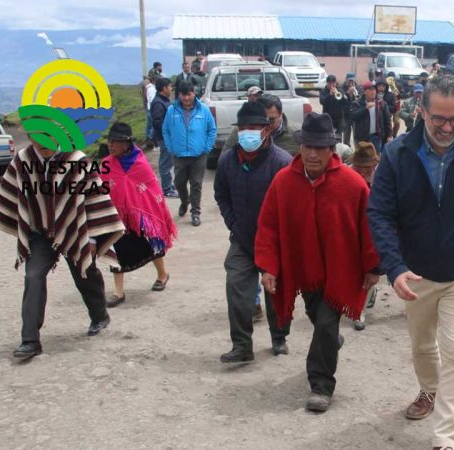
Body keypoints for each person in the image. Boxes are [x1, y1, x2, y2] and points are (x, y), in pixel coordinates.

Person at [367, 75, 454, 450]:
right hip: (417, 274)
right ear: (422, 113)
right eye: (439, 119)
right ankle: (429, 389)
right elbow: (379, 214)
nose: (447, 128)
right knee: (423, 345)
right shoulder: (397, 154)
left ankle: (446, 438)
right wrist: (395, 268)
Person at [255, 112, 380, 412]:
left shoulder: (352, 184)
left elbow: (371, 227)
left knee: (325, 321)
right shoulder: (284, 182)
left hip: (341, 270)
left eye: (320, 148)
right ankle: (330, 341)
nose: (313, 154)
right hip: (304, 270)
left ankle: (321, 385)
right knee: (319, 319)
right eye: (308, 146)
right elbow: (268, 226)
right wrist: (268, 266)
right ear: (300, 147)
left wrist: (374, 266)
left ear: (331, 150)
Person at [0, 132, 125, 359]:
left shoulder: (76, 160)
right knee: (33, 277)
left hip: (75, 229)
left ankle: (99, 315)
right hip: (40, 233)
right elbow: (10, 193)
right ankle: (30, 340)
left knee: (85, 273)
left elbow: (94, 199)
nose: (42, 142)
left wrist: (93, 239)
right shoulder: (23, 160)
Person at [215, 101, 293, 362]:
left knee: (275, 291)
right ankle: (241, 346)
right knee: (236, 287)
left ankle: (279, 337)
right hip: (242, 238)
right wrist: (233, 223)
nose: (247, 132)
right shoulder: (228, 160)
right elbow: (221, 194)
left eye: (254, 127)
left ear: (266, 130)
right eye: (243, 128)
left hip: (274, 242)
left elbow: (291, 205)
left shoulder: (282, 163)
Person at [99, 123, 176, 307]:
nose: (111, 145)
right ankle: (118, 292)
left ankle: (162, 274)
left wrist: (145, 213)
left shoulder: (140, 164)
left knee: (151, 243)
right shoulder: (107, 164)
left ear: (126, 144)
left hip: (140, 217)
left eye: (115, 142)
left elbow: (152, 192)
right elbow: (100, 190)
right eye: (110, 141)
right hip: (117, 217)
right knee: (115, 248)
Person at [162, 81, 217, 227]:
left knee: (196, 184)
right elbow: (165, 130)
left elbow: (212, 129)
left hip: (199, 155)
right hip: (179, 154)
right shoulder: (171, 111)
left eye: (189, 94)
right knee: (179, 183)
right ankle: (184, 201)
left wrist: (207, 147)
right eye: (183, 95)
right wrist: (170, 147)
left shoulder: (203, 110)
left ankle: (195, 213)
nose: (186, 98)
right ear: (179, 95)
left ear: (194, 93)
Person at [348, 141, 381, 331]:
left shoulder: (382, 176)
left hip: (376, 226)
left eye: (368, 167)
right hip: (353, 227)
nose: (363, 171)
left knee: (371, 267)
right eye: (360, 167)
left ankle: (359, 309)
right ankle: (358, 305)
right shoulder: (347, 174)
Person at [150, 77, 177, 198]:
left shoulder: (164, 100)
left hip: (170, 136)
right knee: (165, 163)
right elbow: (157, 122)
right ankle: (167, 189)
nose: (171, 89)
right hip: (165, 138)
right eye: (170, 86)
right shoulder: (158, 103)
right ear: (164, 88)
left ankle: (170, 185)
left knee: (170, 162)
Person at [350, 81, 392, 154]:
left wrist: (389, 135)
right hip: (362, 138)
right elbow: (352, 116)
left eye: (374, 89)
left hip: (376, 137)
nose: (373, 92)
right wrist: (365, 108)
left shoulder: (381, 103)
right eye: (370, 90)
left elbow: (387, 120)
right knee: (362, 158)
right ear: (364, 92)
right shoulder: (357, 103)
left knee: (376, 157)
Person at [223, 86, 263, 153]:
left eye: (259, 95)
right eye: (255, 95)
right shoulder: (244, 110)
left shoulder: (266, 108)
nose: (258, 97)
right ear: (249, 97)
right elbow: (226, 151)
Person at [319, 75, 348, 140]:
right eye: (330, 83)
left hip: (339, 119)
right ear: (327, 83)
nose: (332, 85)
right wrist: (329, 95)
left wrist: (342, 97)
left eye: (333, 83)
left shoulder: (340, 90)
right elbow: (322, 101)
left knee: (339, 138)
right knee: (328, 137)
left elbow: (345, 102)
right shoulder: (323, 91)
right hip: (327, 118)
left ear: (336, 82)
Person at [341, 73, 359, 145]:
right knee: (346, 135)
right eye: (349, 81)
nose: (351, 83)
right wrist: (348, 93)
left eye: (352, 81)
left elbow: (360, 99)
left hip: (355, 116)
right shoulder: (342, 88)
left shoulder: (358, 88)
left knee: (356, 135)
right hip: (346, 115)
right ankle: (346, 149)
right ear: (346, 80)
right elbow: (341, 100)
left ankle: (357, 149)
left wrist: (355, 94)